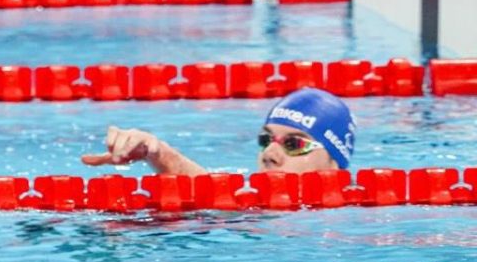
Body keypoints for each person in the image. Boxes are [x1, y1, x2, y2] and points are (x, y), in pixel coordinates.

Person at [81, 87, 357, 175]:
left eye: (294, 144)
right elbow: (205, 185)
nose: (270, 154)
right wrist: (157, 153)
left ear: (334, 163)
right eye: (265, 140)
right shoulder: (252, 210)